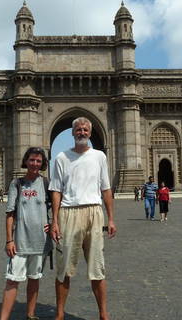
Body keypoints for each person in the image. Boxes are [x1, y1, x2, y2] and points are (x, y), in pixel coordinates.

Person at [49, 117, 116, 320]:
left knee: (97, 268)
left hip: (94, 213)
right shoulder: (62, 157)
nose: (82, 132)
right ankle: (59, 314)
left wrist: (111, 218)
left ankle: (103, 314)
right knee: (64, 269)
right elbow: (56, 191)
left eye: (85, 129)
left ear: (90, 131)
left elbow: (106, 189)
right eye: (78, 129)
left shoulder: (99, 157)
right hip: (68, 213)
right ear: (73, 132)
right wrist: (54, 220)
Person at [0, 147, 52, 320]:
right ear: (26, 161)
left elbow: (57, 207)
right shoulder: (17, 183)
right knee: (12, 280)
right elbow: (10, 214)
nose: (35, 163)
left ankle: (30, 315)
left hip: (40, 242)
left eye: (38, 161)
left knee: (34, 278)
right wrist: (9, 240)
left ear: (43, 163)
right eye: (32, 160)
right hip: (20, 242)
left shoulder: (46, 183)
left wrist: (52, 224)